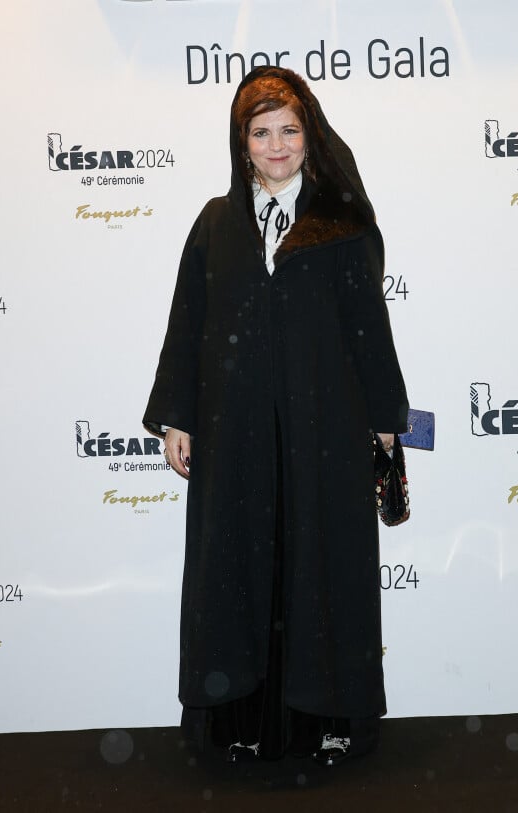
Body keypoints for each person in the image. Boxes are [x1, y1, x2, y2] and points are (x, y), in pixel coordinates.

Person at [143, 66, 408, 766]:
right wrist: (177, 416)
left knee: (323, 565)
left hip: (326, 427)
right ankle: (239, 723)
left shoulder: (342, 224)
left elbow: (368, 329)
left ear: (310, 132)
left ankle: (329, 722)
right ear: (242, 142)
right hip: (234, 435)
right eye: (261, 132)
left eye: (289, 129)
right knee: (235, 567)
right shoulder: (215, 222)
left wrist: (384, 420)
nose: (277, 144)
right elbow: (189, 325)